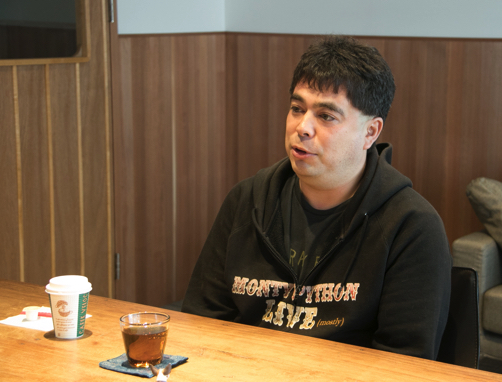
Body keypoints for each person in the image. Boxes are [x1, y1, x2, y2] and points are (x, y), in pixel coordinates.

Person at [182, 35, 452, 360]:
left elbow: (403, 365)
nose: (303, 127)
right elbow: (202, 325)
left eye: (326, 116)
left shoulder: (411, 226)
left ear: (370, 132)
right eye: (297, 109)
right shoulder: (246, 200)